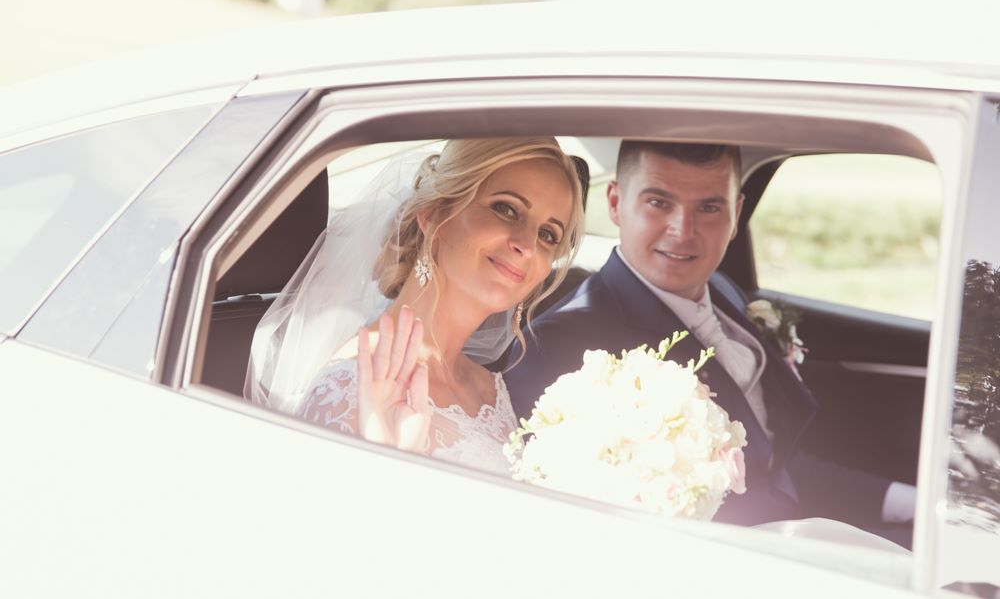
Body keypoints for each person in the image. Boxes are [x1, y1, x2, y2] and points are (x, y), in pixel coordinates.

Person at [505, 141, 916, 544]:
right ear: (615, 203)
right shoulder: (560, 348)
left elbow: (772, 463)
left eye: (709, 208)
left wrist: (907, 502)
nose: (683, 231)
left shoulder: (723, 289)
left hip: (796, 524)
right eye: (658, 203)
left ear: (736, 213)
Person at [245, 137, 585, 474]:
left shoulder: (490, 389)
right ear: (434, 213)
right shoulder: (348, 389)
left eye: (548, 235)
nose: (528, 245)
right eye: (506, 209)